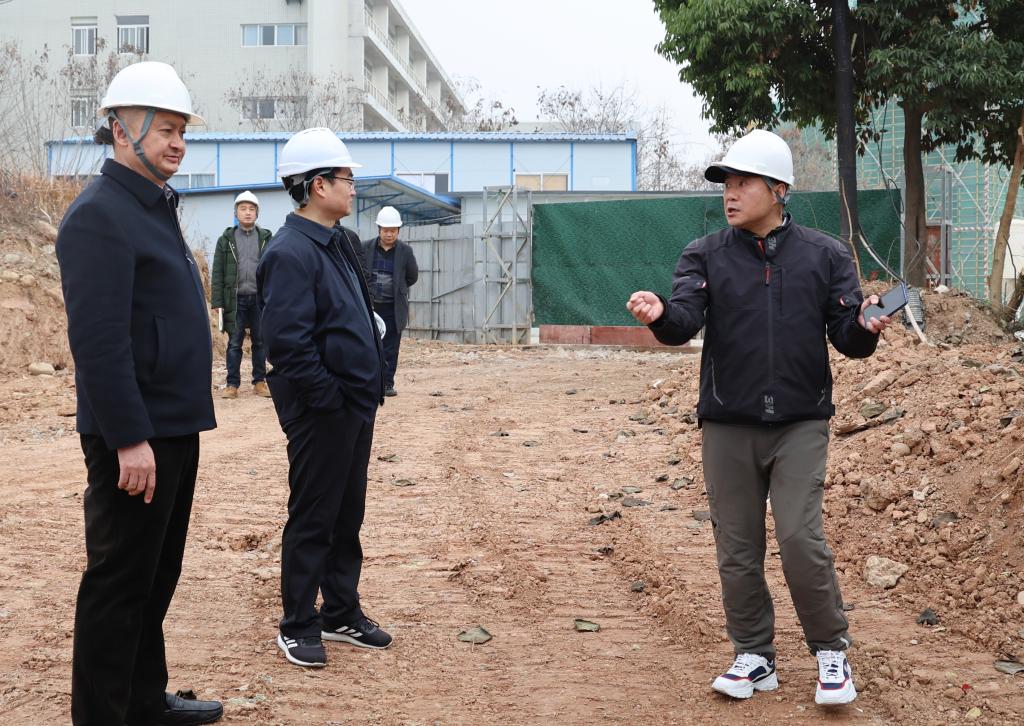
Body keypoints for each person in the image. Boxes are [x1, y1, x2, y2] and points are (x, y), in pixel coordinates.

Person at [627, 129, 891, 707]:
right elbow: (683, 322)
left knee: (800, 538)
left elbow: (848, 339)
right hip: (728, 423)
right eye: (727, 182)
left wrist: (865, 324)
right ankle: (755, 655)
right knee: (737, 547)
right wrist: (660, 313)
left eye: (743, 182)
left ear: (779, 189)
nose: (730, 192)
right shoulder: (704, 254)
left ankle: (830, 652)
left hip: (800, 422)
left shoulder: (826, 255)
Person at [55, 61, 222, 725]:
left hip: (173, 426)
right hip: (136, 435)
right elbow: (98, 342)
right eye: (165, 130)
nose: (178, 142)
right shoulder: (99, 215)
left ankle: (145, 702)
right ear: (122, 131)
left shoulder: (153, 206)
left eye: (183, 131)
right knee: (119, 583)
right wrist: (128, 437)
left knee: (154, 578)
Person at [257, 128, 391, 669]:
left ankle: (340, 611)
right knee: (314, 515)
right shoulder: (289, 253)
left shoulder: (340, 242)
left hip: (354, 405)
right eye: (346, 178)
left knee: (346, 514)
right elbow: (287, 343)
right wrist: (329, 398)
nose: (353, 188)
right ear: (318, 185)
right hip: (322, 411)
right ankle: (297, 623)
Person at [211, 190, 274, 399]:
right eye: (243, 208)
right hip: (234, 300)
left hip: (259, 299)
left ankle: (259, 382)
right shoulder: (225, 239)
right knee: (234, 343)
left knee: (260, 341)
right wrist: (218, 301)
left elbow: (274, 269)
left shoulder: (266, 238)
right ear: (236, 212)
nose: (247, 212)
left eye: (251, 209)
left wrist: (274, 297)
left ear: (257, 213)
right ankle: (232, 384)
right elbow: (218, 272)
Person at [360, 206, 419, 397]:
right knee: (368, 345)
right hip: (370, 307)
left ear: (398, 231)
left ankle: (387, 384)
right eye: (385, 230)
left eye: (393, 230)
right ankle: (369, 383)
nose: (389, 234)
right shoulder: (365, 248)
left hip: (393, 308)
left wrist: (398, 288)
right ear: (379, 229)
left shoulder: (405, 251)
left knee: (391, 348)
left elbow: (412, 276)